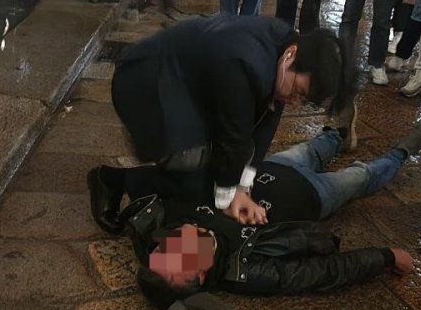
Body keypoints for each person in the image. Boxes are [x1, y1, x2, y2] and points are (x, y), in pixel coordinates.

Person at [103, 125, 421, 310]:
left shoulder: (163, 218)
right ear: (201, 275)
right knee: (362, 177)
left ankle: (339, 133)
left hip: (271, 167)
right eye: (182, 257)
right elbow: (319, 272)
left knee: (315, 146)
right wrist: (384, 257)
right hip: (315, 195)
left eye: (165, 248)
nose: (178, 239)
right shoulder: (246, 272)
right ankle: (400, 153)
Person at [103, 15, 351, 230]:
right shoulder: (244, 61)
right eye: (298, 91)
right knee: (193, 171)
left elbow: (264, 127)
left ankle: (122, 182)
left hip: (187, 86)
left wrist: (242, 186)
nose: (295, 101)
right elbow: (235, 135)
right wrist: (228, 197)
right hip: (146, 85)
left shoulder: (285, 51)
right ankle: (111, 182)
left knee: (212, 175)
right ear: (291, 54)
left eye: (303, 100)